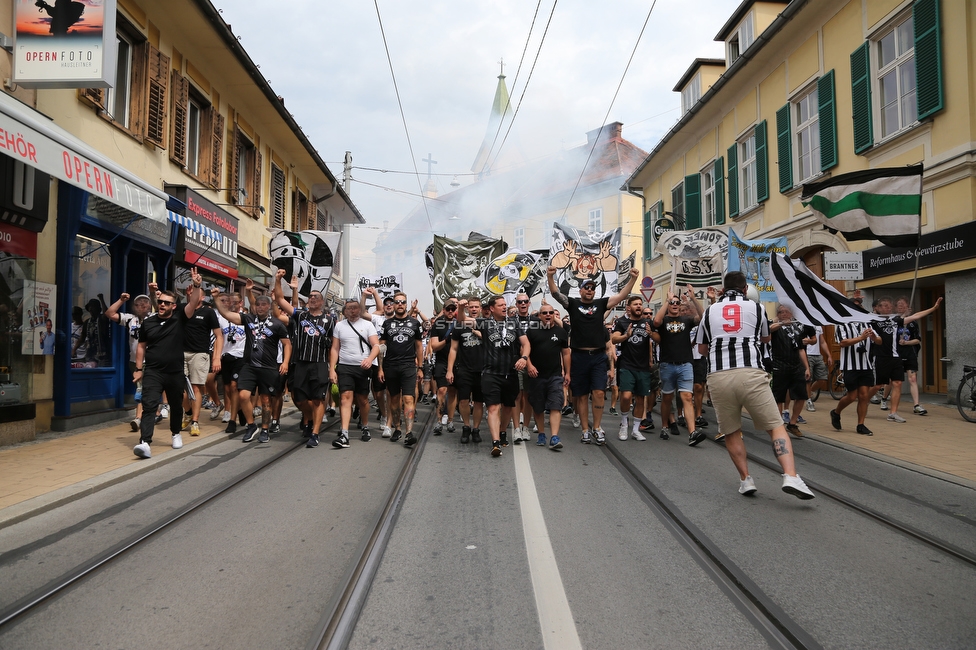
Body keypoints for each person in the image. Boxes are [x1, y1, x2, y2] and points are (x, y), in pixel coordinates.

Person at [695, 271, 815, 499]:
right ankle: (790, 475)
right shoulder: (757, 308)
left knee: (731, 431)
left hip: (719, 375)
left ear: (722, 290)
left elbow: (701, 349)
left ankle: (746, 480)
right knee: (775, 426)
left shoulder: (710, 311)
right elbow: (765, 338)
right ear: (744, 290)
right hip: (751, 372)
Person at [547, 264, 638, 445]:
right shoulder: (572, 304)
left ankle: (596, 427)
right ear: (580, 291)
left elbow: (621, 296)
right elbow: (556, 293)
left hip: (598, 357)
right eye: (586, 288)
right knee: (580, 395)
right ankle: (585, 430)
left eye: (592, 288)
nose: (590, 290)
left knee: (598, 392)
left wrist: (633, 279)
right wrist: (550, 276)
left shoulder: (601, 303)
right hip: (579, 356)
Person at [132, 269, 205, 459]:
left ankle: (175, 433)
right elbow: (141, 346)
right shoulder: (148, 323)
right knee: (149, 405)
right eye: (161, 301)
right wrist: (138, 369)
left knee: (175, 404)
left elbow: (193, 303)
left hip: (174, 372)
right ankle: (145, 442)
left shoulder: (180, 319)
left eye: (167, 302)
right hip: (153, 371)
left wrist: (197, 285)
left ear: (173, 306)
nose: (162, 304)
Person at [212, 289, 291, 444]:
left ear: (269, 306)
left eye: (263, 305)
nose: (260, 307)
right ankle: (251, 425)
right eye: (257, 304)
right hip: (249, 366)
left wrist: (285, 362)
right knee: (243, 395)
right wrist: (216, 299)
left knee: (266, 399)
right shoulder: (248, 319)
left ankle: (265, 429)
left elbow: (287, 344)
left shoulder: (277, 324)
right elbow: (227, 315)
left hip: (268, 367)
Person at [273, 270, 335, 448]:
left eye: (316, 296)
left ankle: (314, 433)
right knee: (298, 398)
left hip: (320, 363)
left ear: (322, 302)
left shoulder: (330, 321)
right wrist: (278, 280)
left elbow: (333, 346)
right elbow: (280, 300)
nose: (312, 298)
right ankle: (309, 417)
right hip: (300, 363)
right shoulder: (300, 315)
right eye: (310, 296)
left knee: (317, 399)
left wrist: (332, 369)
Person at [469, 296, 530, 457]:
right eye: (501, 305)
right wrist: (461, 309)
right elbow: (463, 320)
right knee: (493, 407)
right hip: (490, 373)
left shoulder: (514, 323)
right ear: (492, 309)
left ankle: (503, 431)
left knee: (508, 406)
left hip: (510, 373)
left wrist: (524, 358)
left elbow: (526, 343)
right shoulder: (484, 323)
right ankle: (496, 442)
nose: (504, 307)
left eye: (505, 304)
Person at [870, 296, 942, 424]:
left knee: (897, 383)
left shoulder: (896, 319)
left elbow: (915, 316)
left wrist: (934, 308)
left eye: (889, 305)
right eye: (885, 305)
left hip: (896, 356)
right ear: (878, 308)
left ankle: (893, 413)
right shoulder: (873, 320)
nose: (888, 307)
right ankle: (864, 400)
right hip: (882, 357)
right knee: (879, 385)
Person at [652, 284, 705, 446]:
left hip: (685, 364)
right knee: (667, 397)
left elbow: (703, 317)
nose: (675, 305)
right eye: (672, 303)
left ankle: (692, 432)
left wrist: (693, 298)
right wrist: (667, 301)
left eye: (677, 303)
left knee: (687, 397)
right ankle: (665, 426)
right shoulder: (664, 320)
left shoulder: (686, 320)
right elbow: (656, 321)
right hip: (668, 364)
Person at [328, 299, 380, 448]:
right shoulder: (339, 326)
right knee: (345, 398)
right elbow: (335, 349)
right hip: (345, 366)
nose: (352, 311)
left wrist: (370, 359)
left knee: (362, 399)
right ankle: (344, 433)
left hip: (362, 367)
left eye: (355, 308)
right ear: (345, 311)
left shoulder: (367, 325)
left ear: (360, 309)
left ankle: (365, 425)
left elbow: (376, 345)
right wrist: (332, 369)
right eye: (349, 308)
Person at [378, 292, 424, 446]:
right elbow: (381, 347)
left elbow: (419, 346)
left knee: (409, 398)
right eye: (397, 302)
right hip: (390, 366)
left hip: (408, 366)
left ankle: (409, 432)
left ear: (406, 304)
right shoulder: (387, 324)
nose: (399, 304)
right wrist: (380, 368)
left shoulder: (414, 323)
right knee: (394, 399)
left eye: (402, 302)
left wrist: (420, 367)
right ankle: (397, 428)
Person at [105, 292, 153, 432]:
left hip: (151, 361)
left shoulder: (154, 318)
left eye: (145, 303)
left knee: (143, 389)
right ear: (134, 306)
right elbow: (110, 313)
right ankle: (148, 413)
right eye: (139, 303)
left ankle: (139, 418)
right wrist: (121, 300)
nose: (142, 306)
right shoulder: (129, 319)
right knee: (141, 389)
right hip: (134, 361)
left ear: (150, 306)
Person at [525, 303, 570, 450]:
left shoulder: (561, 332)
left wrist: (568, 372)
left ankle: (554, 437)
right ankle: (542, 433)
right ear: (539, 316)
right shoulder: (532, 331)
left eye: (551, 312)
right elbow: (524, 349)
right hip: (536, 376)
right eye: (545, 313)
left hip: (555, 376)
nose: (548, 315)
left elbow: (565, 353)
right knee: (538, 407)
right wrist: (529, 365)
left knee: (556, 405)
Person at [181, 285, 222, 438]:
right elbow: (159, 309)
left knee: (196, 388)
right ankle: (188, 412)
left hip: (199, 353)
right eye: (190, 293)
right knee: (179, 388)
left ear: (202, 297)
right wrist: (153, 294)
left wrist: (216, 357)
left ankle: (195, 422)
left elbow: (218, 335)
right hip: (180, 353)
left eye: (195, 293)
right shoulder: (182, 309)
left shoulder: (208, 312)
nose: (192, 295)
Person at [830, 317, 882, 436]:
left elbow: (879, 341)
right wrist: (861, 338)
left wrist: (875, 338)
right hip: (850, 366)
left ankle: (861, 425)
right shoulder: (842, 324)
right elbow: (842, 343)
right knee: (852, 396)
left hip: (866, 365)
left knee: (864, 396)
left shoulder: (867, 323)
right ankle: (836, 412)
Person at [610, 296, 653, 441]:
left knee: (640, 398)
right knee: (627, 396)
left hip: (643, 366)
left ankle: (635, 429)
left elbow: (654, 341)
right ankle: (623, 424)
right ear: (629, 307)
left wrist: (651, 335)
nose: (639, 306)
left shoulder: (647, 322)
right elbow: (614, 339)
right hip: (627, 364)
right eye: (635, 304)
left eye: (640, 304)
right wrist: (626, 335)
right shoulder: (622, 322)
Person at [769, 305, 813, 438]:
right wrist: (780, 322)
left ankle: (792, 423)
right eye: (781, 312)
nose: (784, 314)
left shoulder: (797, 328)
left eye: (786, 312)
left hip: (796, 366)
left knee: (801, 395)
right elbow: (768, 330)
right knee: (779, 398)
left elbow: (801, 349)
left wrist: (806, 367)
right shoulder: (775, 325)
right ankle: (779, 425)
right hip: (779, 365)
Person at [447, 295, 486, 444]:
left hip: (481, 369)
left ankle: (476, 429)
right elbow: (453, 349)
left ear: (481, 309)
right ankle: (466, 426)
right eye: (472, 307)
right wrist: (449, 370)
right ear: (468, 308)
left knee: (478, 402)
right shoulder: (459, 326)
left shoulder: (486, 324)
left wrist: (479, 333)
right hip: (464, 369)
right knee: (463, 400)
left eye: (477, 306)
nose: (474, 309)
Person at [215, 291, 246, 434]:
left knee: (234, 387)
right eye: (230, 301)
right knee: (227, 390)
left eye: (235, 301)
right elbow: (218, 338)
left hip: (241, 357)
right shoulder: (221, 318)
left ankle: (232, 421)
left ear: (240, 303)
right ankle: (239, 410)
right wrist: (217, 357)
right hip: (226, 357)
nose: (232, 304)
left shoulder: (246, 318)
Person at [429, 299, 460, 435]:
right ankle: (439, 420)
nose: (451, 312)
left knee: (453, 391)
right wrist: (447, 340)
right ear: (444, 309)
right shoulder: (438, 323)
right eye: (448, 309)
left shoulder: (460, 322)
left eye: (453, 309)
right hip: (442, 361)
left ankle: (451, 420)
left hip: (457, 362)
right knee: (441, 390)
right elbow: (434, 347)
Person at [895, 296, 926, 415]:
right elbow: (898, 322)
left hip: (910, 354)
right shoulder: (894, 320)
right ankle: (884, 398)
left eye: (903, 305)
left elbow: (918, 340)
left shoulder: (913, 323)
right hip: (896, 354)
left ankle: (916, 405)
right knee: (894, 381)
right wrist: (904, 316)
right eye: (899, 305)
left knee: (912, 379)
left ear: (908, 307)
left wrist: (907, 342)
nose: (900, 306)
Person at [803, 326, 832, 412]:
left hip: (818, 355)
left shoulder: (819, 326)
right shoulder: (804, 324)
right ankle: (808, 401)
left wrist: (829, 355)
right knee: (808, 379)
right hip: (807, 354)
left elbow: (822, 342)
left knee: (822, 378)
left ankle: (809, 391)